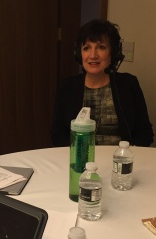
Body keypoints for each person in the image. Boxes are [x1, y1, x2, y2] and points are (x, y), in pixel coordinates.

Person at [51, 19, 153, 147]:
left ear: (113, 53)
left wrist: (126, 156)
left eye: (101, 47)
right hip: (79, 161)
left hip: (119, 161)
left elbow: (145, 132)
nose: (93, 55)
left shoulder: (128, 84)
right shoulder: (67, 87)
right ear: (79, 53)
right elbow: (58, 135)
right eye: (87, 48)